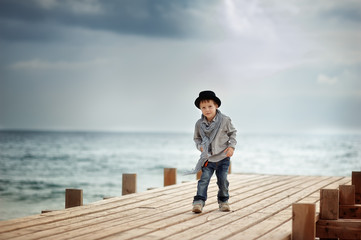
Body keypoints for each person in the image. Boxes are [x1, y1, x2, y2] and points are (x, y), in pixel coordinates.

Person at [192, 90, 237, 213]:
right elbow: (197, 138)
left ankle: (223, 201)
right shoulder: (199, 124)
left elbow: (232, 133)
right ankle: (198, 202)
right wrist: (200, 146)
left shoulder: (225, 120)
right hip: (208, 158)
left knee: (222, 180)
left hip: (223, 156)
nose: (207, 110)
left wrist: (231, 147)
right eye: (203, 107)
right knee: (204, 180)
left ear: (216, 106)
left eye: (210, 106)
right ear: (200, 109)